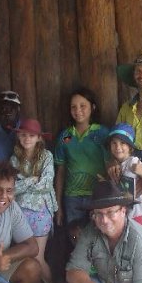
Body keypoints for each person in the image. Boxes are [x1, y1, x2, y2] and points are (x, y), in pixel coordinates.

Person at [9, 118, 60, 283]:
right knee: (27, 258)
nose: (26, 138)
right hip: (20, 213)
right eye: (22, 134)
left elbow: (46, 184)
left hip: (41, 212)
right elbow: (13, 187)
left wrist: (24, 183)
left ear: (39, 138)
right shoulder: (14, 159)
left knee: (37, 257)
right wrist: (32, 180)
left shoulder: (46, 156)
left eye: (31, 135)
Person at [54, 87, 108, 226]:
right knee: (76, 238)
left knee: (99, 237)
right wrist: (58, 206)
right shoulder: (65, 136)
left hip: (97, 196)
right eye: (73, 107)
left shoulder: (102, 133)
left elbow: (110, 165)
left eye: (83, 106)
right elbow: (60, 172)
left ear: (93, 107)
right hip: (72, 197)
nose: (78, 110)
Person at [106, 122, 142, 225]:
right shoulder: (116, 165)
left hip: (136, 212)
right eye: (114, 143)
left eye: (122, 143)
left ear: (130, 147)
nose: (118, 147)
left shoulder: (133, 162)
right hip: (123, 213)